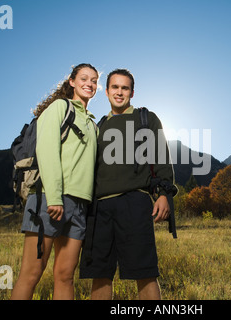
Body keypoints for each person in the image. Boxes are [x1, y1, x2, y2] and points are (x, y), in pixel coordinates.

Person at [79, 68, 176, 300]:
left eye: (124, 88)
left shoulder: (146, 119)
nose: (119, 92)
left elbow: (161, 156)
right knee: (100, 275)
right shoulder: (98, 125)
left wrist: (163, 194)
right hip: (99, 208)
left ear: (132, 92)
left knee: (145, 272)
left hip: (134, 202)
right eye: (115, 87)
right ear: (106, 91)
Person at [11, 63, 99, 300]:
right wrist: (56, 197)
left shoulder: (92, 124)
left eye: (93, 80)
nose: (89, 83)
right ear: (72, 82)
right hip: (48, 199)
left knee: (65, 276)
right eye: (83, 78)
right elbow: (47, 152)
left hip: (80, 205)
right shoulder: (60, 107)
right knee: (31, 273)